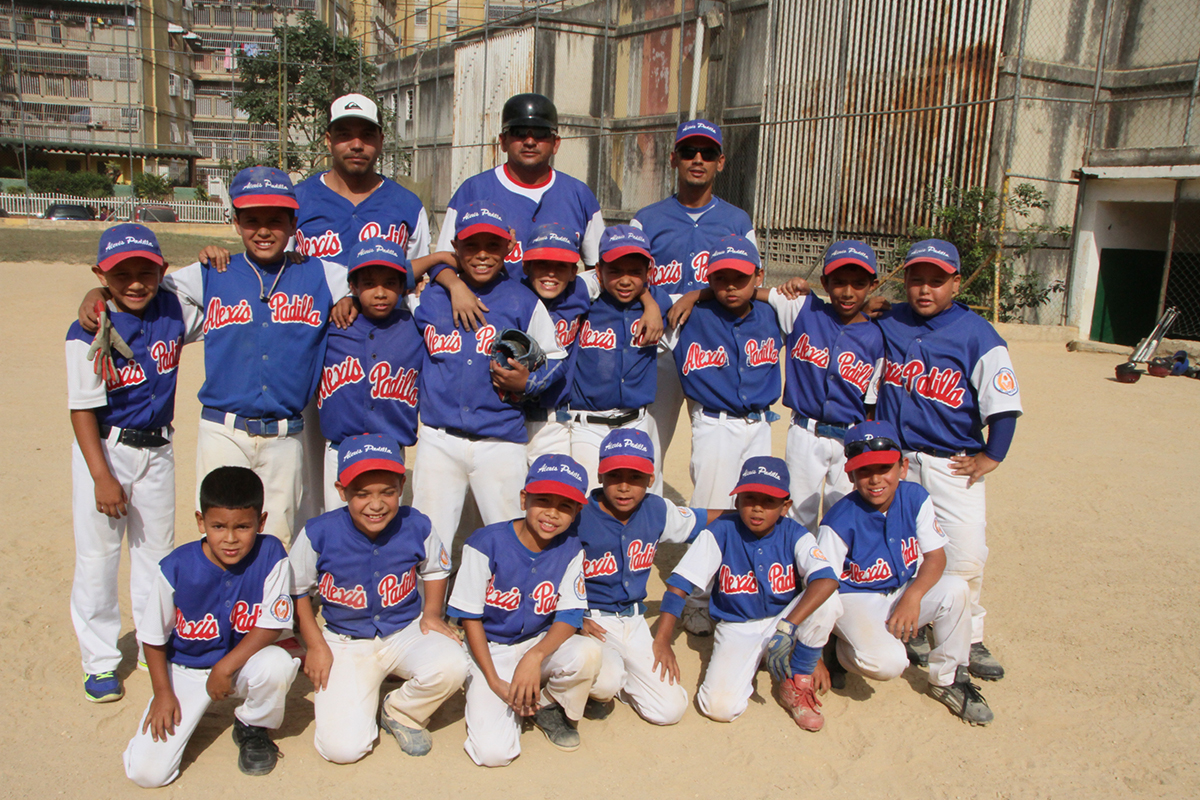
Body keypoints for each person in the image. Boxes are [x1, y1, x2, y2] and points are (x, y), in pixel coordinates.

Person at [79, 166, 350, 543]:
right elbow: (143, 285)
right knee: (221, 533)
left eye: (276, 220)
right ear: (235, 222)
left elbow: (379, 282)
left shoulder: (324, 273)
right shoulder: (213, 272)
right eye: (251, 220)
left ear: (293, 223)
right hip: (223, 430)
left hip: (287, 435)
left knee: (278, 534)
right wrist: (96, 295)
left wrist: (349, 298)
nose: (264, 230)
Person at [875, 240, 1022, 681]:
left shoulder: (979, 335)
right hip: (898, 460)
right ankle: (916, 622)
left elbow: (1004, 405)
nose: (925, 290)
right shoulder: (891, 318)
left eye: (937, 281)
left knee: (966, 555)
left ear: (956, 283)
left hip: (952, 461)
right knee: (901, 545)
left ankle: (970, 636)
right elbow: (849, 308)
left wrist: (991, 456)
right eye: (916, 279)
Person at [66, 224, 201, 702]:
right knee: (99, 559)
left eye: (146, 270)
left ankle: (152, 644)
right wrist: (102, 476)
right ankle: (100, 661)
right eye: (121, 274)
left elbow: (216, 294)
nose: (136, 282)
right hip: (107, 451)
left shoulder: (174, 309)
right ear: (101, 275)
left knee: (155, 555)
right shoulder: (87, 327)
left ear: (162, 270)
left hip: (158, 451)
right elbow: (82, 408)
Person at [289, 435, 468, 763]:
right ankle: (360, 700)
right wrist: (314, 644)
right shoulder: (318, 532)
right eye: (362, 494)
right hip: (345, 641)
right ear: (342, 491)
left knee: (453, 664)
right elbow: (298, 590)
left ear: (402, 485)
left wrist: (431, 613)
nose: (376, 504)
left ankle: (400, 710)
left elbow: (435, 569)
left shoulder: (416, 524)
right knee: (342, 750)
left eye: (387, 491)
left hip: (405, 631)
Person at [122, 467, 300, 787]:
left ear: (260, 522)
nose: (230, 538)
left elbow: (272, 625)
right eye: (218, 526)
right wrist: (162, 694)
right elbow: (152, 637)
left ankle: (252, 726)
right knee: (147, 775)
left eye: (243, 527)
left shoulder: (271, 553)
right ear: (200, 522)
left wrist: (225, 666)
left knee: (277, 664)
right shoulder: (176, 566)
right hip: (185, 669)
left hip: (241, 663)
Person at [410, 201, 567, 557]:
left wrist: (528, 385)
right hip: (439, 438)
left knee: (508, 533)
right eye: (471, 245)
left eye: (493, 246)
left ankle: (506, 610)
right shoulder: (431, 298)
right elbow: (390, 276)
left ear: (509, 248)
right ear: (456, 247)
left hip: (500, 439)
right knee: (430, 535)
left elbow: (556, 357)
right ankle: (429, 609)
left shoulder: (522, 300)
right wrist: (442, 272)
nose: (482, 255)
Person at [816, 421, 993, 725]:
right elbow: (819, 588)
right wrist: (814, 656)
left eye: (884, 468)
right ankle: (840, 650)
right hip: (854, 598)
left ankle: (947, 680)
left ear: (903, 467)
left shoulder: (916, 497)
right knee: (889, 663)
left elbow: (936, 557)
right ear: (850, 475)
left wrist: (913, 596)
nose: (875, 480)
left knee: (957, 590)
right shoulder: (838, 520)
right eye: (864, 471)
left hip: (901, 590)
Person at [652, 456, 841, 731]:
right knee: (718, 708)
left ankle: (797, 679)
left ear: (785, 506)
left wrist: (800, 640)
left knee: (828, 599)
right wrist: (663, 639)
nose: (757, 508)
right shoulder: (722, 531)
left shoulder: (796, 534)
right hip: (737, 626)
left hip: (785, 620)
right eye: (749, 498)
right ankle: (764, 658)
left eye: (769, 501)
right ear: (737, 501)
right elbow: (679, 584)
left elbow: (827, 580)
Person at [447, 454, 602, 767]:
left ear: (577, 512)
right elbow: (470, 617)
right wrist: (492, 679)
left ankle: (547, 705)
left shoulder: (571, 547)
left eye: (564, 506)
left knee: (589, 653)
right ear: (523, 498)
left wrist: (535, 657)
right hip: (490, 649)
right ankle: (499, 690)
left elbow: (570, 614)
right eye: (542, 500)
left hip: (537, 641)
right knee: (494, 754)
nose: (552, 513)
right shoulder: (485, 542)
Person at [633, 119, 757, 483]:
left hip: (714, 343)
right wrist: (650, 302)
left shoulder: (736, 219)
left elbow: (751, 279)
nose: (697, 159)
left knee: (712, 446)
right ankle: (645, 531)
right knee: (648, 442)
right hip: (662, 342)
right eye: (688, 152)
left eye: (708, 152)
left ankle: (710, 534)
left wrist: (697, 293)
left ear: (720, 161)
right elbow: (625, 276)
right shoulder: (648, 218)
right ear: (674, 159)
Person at [578, 429, 721, 725]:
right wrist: (572, 617)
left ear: (651, 480)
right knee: (605, 680)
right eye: (615, 476)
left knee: (670, 710)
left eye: (636, 478)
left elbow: (700, 520)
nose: (624, 487)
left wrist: (748, 512)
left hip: (633, 622)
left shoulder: (656, 509)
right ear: (600, 475)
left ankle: (622, 677)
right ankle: (596, 683)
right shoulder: (579, 515)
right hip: (591, 620)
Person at [316, 239, 453, 509]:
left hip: (391, 449)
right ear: (352, 286)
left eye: (390, 283)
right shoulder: (333, 324)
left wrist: (452, 281)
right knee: (338, 532)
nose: (380, 293)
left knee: (385, 531)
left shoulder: (415, 325)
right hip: (340, 448)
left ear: (404, 286)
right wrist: (344, 302)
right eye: (368, 284)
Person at [767, 240, 884, 532]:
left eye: (859, 283)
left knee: (843, 514)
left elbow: (872, 401)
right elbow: (744, 292)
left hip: (851, 437)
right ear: (824, 282)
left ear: (873, 285)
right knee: (797, 513)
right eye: (838, 282)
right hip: (805, 432)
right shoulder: (803, 308)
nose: (847, 292)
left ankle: (835, 576)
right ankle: (799, 575)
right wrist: (693, 296)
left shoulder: (877, 335)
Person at [435, 93, 604, 277]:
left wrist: (573, 298)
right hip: (487, 305)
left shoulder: (579, 195)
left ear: (555, 143)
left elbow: (599, 270)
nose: (530, 142)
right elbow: (443, 261)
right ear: (503, 141)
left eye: (540, 133)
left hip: (557, 306)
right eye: (519, 132)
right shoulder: (472, 191)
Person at [565, 225, 672, 491]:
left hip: (637, 422)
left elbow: (687, 298)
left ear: (649, 272)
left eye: (635, 272)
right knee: (587, 501)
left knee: (642, 502)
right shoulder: (584, 300)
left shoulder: (660, 301)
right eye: (614, 271)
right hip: (586, 426)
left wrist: (650, 302)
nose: (625, 280)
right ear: (598, 271)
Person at [516, 222, 592, 461]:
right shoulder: (511, 296)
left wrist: (649, 302)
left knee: (551, 492)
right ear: (526, 266)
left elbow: (616, 276)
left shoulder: (580, 290)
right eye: (542, 264)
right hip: (510, 416)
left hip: (554, 421)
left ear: (573, 271)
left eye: (561, 266)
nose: (551, 273)